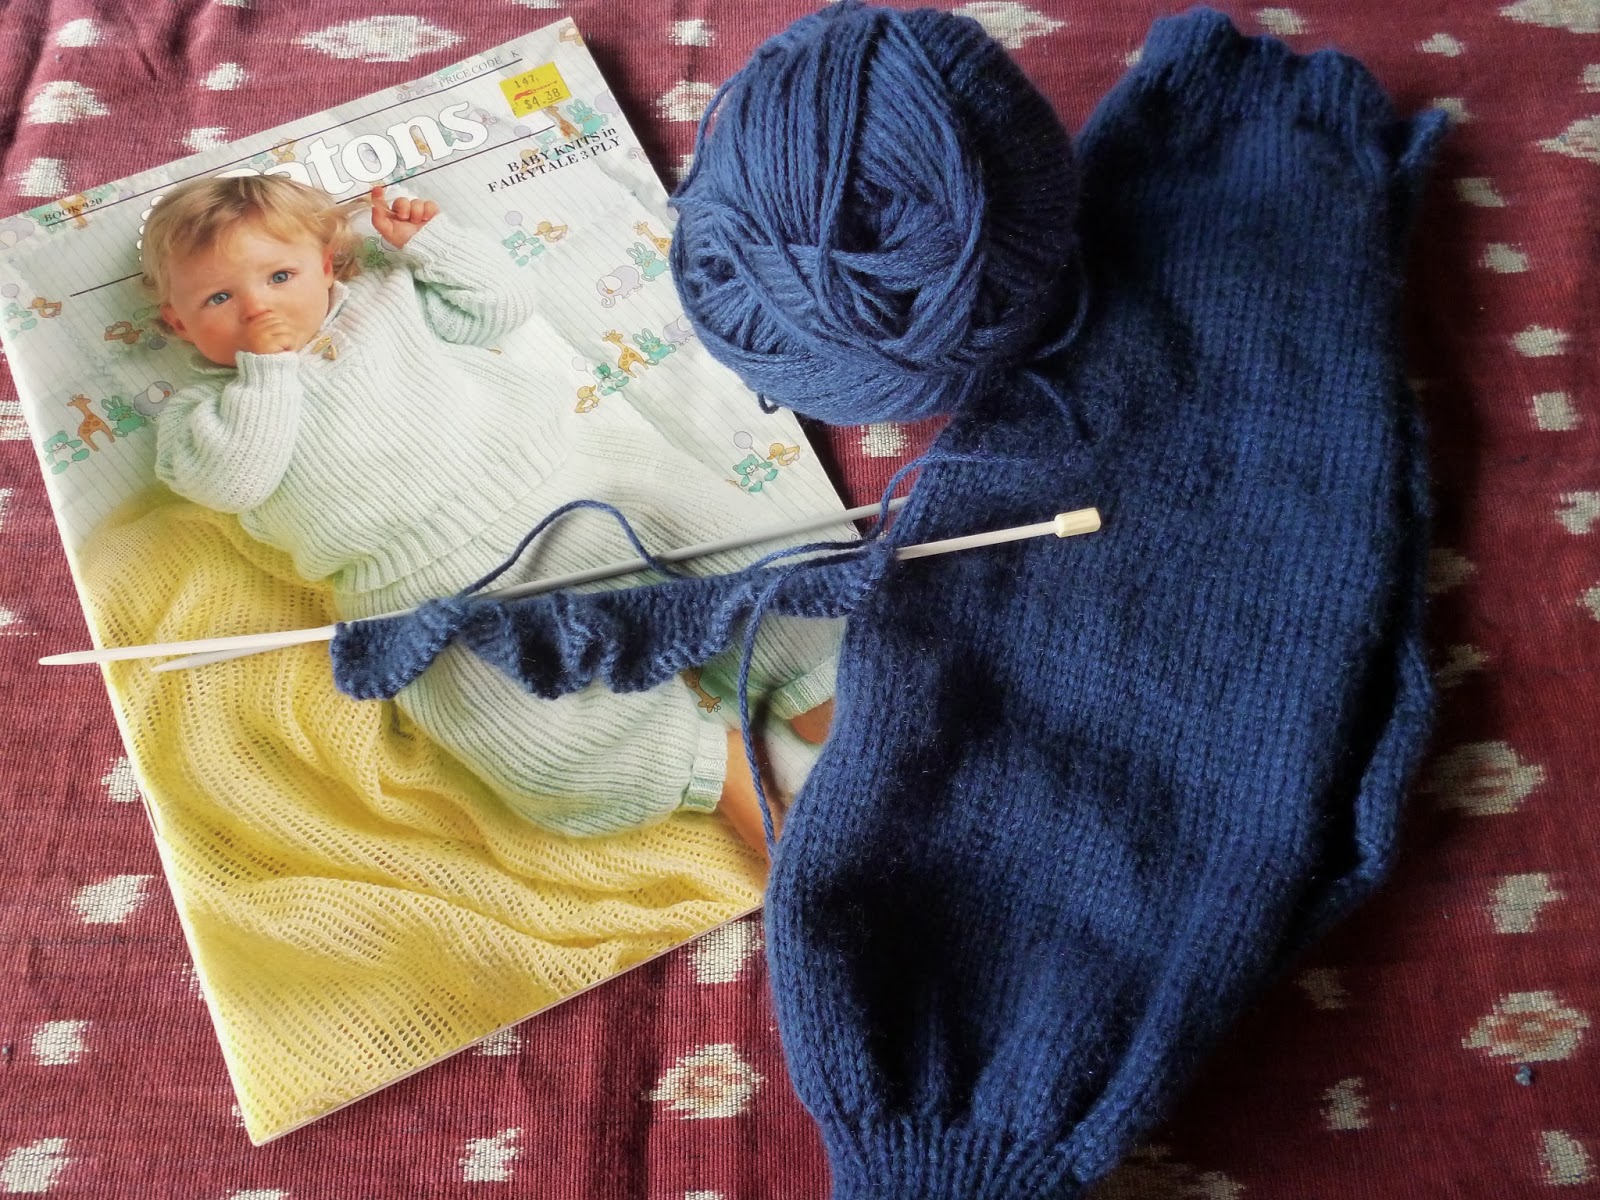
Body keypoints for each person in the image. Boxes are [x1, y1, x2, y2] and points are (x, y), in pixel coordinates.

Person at [141, 173, 837, 853]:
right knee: (526, 738)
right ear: (178, 322)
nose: (257, 308)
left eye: (279, 277)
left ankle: (819, 691)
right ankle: (717, 770)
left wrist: (434, 245)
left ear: (325, 266)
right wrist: (268, 374)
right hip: (429, 594)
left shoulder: (387, 299)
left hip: (565, 489)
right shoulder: (202, 419)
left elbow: (500, 305)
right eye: (219, 298)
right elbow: (235, 480)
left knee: (726, 543)